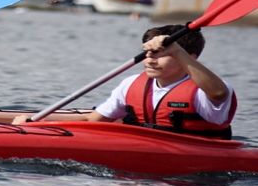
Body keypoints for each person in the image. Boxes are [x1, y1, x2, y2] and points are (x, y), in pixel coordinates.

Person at [14, 24, 237, 139]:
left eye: (160, 53)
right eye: (148, 53)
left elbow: (218, 94)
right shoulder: (130, 84)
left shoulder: (204, 89)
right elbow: (94, 120)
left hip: (199, 163)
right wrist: (38, 126)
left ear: (189, 56)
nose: (150, 59)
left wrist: (177, 51)